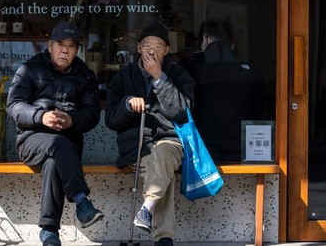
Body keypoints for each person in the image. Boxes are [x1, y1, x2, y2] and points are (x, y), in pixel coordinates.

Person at [6, 21, 104, 246]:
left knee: (54, 163)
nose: (65, 50)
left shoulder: (85, 75)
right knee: (57, 145)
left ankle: (49, 231)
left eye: (71, 46)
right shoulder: (30, 69)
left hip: (67, 143)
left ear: (77, 50)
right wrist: (40, 116)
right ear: (50, 46)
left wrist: (71, 120)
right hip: (31, 141)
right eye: (60, 44)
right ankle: (81, 201)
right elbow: (14, 105)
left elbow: (92, 114)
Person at [105, 22, 195, 246]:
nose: (152, 51)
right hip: (137, 147)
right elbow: (110, 120)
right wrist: (127, 105)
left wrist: (159, 79)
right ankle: (162, 236)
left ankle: (147, 210)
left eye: (158, 46)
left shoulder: (179, 74)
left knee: (162, 155)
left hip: (171, 142)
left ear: (166, 50)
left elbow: (182, 113)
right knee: (159, 168)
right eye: (147, 46)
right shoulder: (124, 77)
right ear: (138, 48)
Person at [180, 19, 266, 163]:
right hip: (243, 150)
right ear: (231, 44)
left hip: (201, 151)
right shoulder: (249, 67)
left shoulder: (189, 66)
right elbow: (259, 108)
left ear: (205, 39)